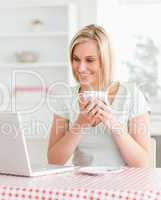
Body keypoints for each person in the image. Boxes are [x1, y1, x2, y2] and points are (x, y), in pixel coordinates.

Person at [47, 24, 151, 167]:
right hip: (82, 184)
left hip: (123, 184)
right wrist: (80, 124)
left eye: (90, 60)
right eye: (76, 59)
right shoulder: (65, 97)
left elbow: (142, 163)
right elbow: (54, 160)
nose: (81, 68)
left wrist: (112, 122)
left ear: (105, 60)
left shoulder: (131, 95)